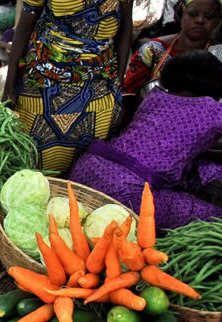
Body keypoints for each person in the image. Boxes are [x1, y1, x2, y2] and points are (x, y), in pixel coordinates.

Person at [69, 50, 222, 230]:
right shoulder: (214, 111)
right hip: (127, 193)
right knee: (214, 216)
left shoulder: (154, 97)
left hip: (84, 171)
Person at [2, 0, 134, 175]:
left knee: (86, 169)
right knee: (30, 165)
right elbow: (25, 26)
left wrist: (118, 82)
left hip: (99, 85)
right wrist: (9, 86)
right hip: (44, 83)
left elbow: (125, 29)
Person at [121, 0, 222, 121]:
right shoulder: (152, 50)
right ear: (180, 15)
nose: (200, 20)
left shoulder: (219, 54)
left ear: (218, 21)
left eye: (209, 17)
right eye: (193, 14)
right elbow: (129, 96)